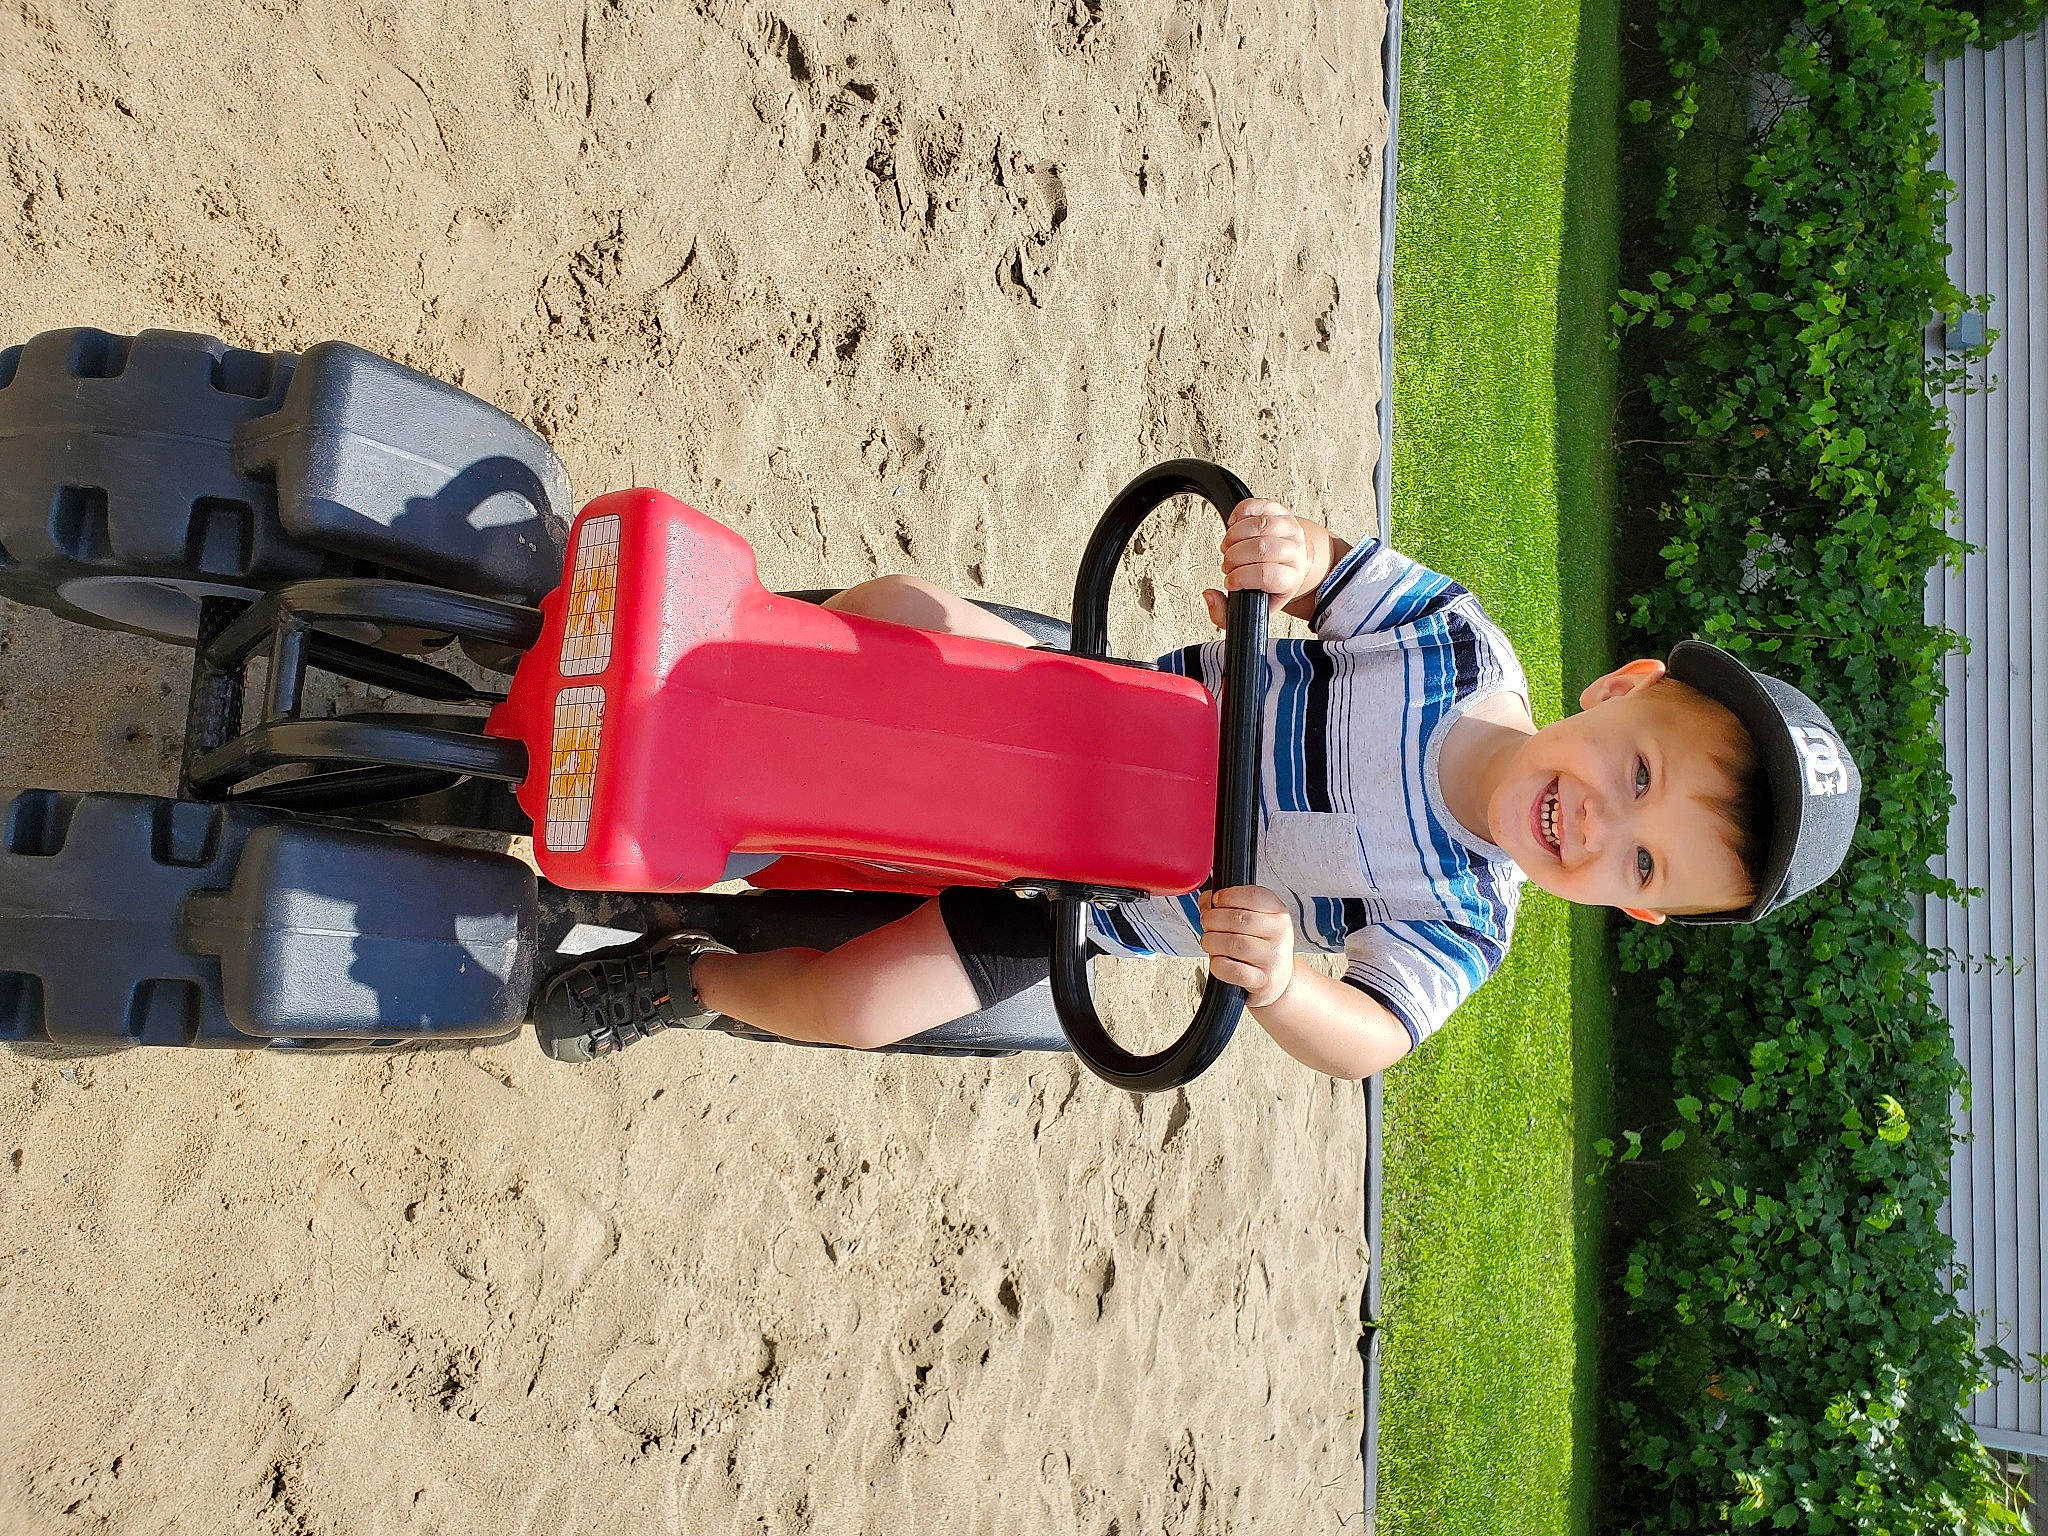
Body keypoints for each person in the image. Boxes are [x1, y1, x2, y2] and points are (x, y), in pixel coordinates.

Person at [533, 497, 1861, 1080]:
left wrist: (1287, 986)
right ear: (1622, 688)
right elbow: (1332, 570)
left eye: (1640, 866)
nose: (1602, 824)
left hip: (1073, 901)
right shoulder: (1458, 646)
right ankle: (707, 651)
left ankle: (690, 981)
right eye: (1636, 777)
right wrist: (1287, 552)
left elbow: (1376, 1041)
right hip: (1066, 714)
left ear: (1634, 911)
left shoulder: (1462, 917)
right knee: (901, 610)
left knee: (861, 1004)